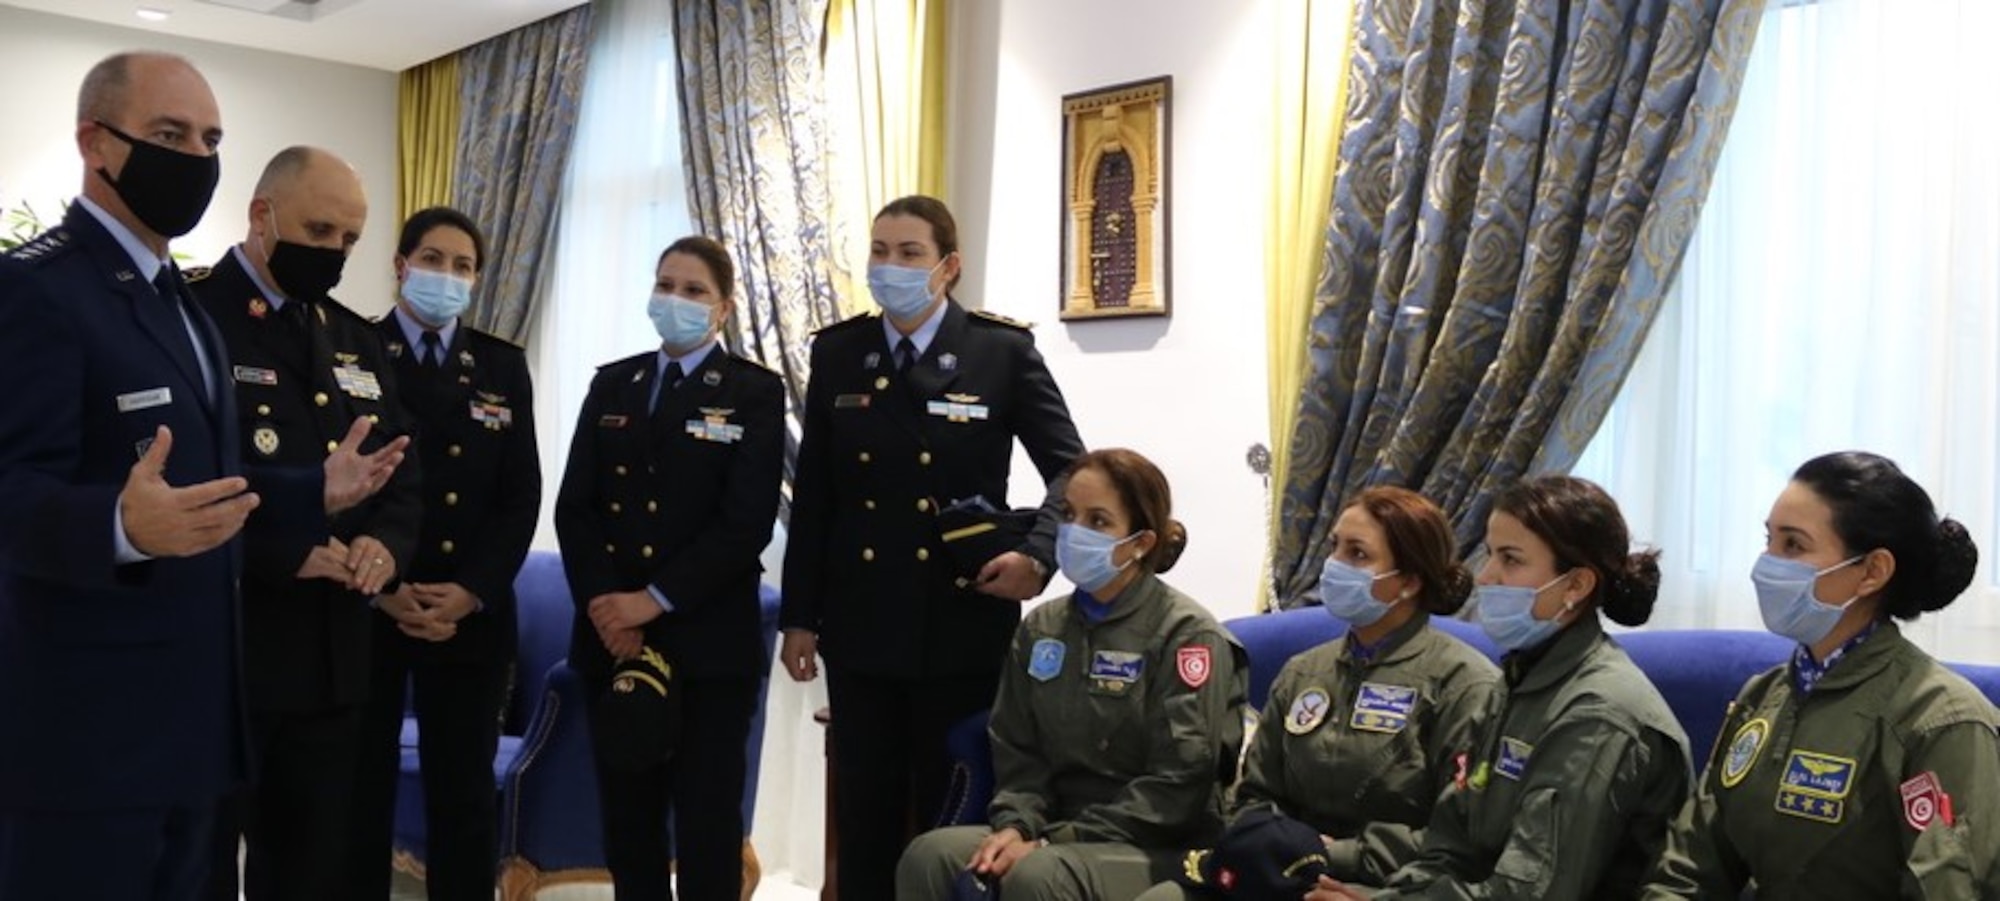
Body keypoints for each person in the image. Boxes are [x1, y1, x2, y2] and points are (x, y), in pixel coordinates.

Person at [0, 52, 402, 901]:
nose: (196, 157)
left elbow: (216, 484)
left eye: (211, 137)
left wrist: (311, 490)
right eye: (168, 134)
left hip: (195, 724)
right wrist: (116, 524)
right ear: (97, 143)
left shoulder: (178, 301)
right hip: (90, 736)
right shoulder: (34, 288)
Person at [778, 194, 1085, 898]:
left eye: (909, 253)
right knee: (865, 817)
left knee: (952, 813)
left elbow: (1071, 468)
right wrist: (800, 615)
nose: (890, 266)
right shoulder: (840, 352)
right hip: (860, 628)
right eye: (880, 251)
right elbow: (817, 496)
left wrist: (1038, 556)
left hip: (961, 623)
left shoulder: (1000, 352)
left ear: (947, 266)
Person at [193, 145, 423, 900]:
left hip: (330, 666)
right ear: (262, 216)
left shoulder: (355, 339)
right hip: (223, 657)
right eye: (320, 231)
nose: (334, 253)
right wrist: (286, 546)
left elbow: (398, 474)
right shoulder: (193, 316)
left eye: (350, 240)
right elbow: (181, 483)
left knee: (309, 875)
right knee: (195, 870)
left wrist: (382, 549)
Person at [1311, 476, 1691, 900]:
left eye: (1510, 560)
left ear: (1576, 585)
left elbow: (1529, 892)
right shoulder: (1516, 681)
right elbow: (1451, 846)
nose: (1486, 576)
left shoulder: (1598, 712)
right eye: (1491, 554)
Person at [1640, 452, 2000, 898]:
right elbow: (1689, 870)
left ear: (1872, 571)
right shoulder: (1763, 696)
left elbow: (1948, 889)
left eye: (1793, 545)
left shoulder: (1942, 720)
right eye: (1768, 540)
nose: (1766, 564)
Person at [897, 447, 1248, 900]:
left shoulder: (1187, 635)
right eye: (1068, 514)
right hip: (1053, 831)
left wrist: (1054, 841)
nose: (1074, 532)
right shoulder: (1042, 628)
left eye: (1098, 522)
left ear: (1140, 542)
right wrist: (1017, 826)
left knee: (1038, 875)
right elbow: (1017, 753)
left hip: (1158, 844)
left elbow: (1178, 786)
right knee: (930, 856)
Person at [555, 236, 785, 900]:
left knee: (708, 822)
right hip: (613, 642)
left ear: (723, 308)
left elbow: (744, 524)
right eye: (665, 285)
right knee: (629, 823)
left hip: (708, 647)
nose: (674, 301)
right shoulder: (613, 383)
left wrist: (651, 600)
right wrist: (608, 606)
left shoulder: (753, 393)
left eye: (693, 291)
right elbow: (578, 509)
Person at [1137, 487, 1502, 900]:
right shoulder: (1303, 671)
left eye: (1358, 554)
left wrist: (1337, 856)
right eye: (1334, 547)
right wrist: (1276, 845)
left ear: (1409, 581)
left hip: (1384, 885)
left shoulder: (1465, 685)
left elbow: (1455, 837)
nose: (1334, 565)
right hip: (1274, 869)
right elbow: (1254, 795)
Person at [346, 207, 542, 899]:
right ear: (400, 265)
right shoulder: (352, 350)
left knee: (462, 802)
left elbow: (520, 498)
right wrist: (380, 585)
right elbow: (339, 481)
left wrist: (472, 590)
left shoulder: (500, 364)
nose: (446, 276)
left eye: (462, 266)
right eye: (432, 259)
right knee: (359, 794)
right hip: (369, 602)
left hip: (469, 615)